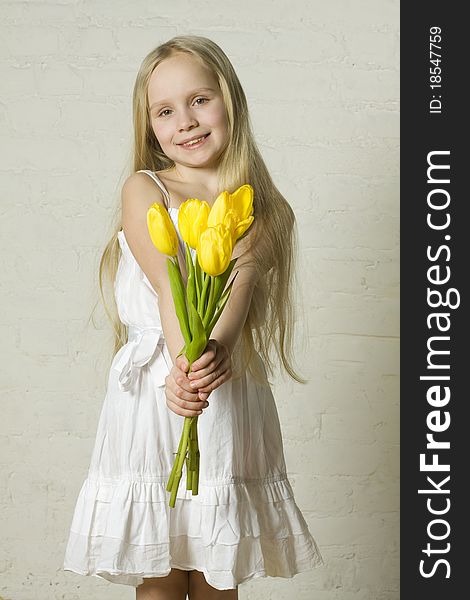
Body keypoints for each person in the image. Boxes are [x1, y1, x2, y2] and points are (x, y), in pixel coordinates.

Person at [63, 35, 323, 599]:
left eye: (200, 100)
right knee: (159, 571)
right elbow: (167, 282)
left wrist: (209, 359)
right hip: (161, 391)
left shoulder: (259, 205)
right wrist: (183, 366)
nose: (186, 120)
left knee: (214, 568)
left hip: (219, 387)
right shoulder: (146, 188)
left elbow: (239, 290)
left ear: (230, 102)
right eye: (165, 110)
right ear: (151, 127)